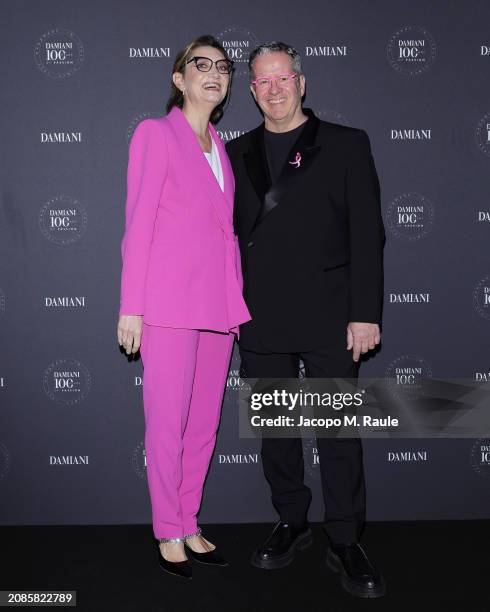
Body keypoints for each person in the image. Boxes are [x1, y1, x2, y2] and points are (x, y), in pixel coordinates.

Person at [226, 42, 386, 598]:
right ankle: (292, 521)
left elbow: (368, 234)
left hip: (331, 315)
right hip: (261, 316)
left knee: (339, 433)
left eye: (283, 78)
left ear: (301, 82)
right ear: (251, 90)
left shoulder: (344, 144)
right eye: (262, 81)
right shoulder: (235, 151)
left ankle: (345, 538)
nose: (273, 89)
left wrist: (365, 313)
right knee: (277, 433)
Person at [117, 34, 251, 580]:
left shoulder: (221, 145)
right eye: (202, 64)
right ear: (180, 78)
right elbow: (139, 225)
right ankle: (167, 528)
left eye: (222, 66)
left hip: (219, 308)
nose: (214, 73)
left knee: (204, 425)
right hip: (168, 305)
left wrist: (236, 300)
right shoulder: (156, 134)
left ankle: (190, 519)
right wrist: (132, 306)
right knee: (166, 423)